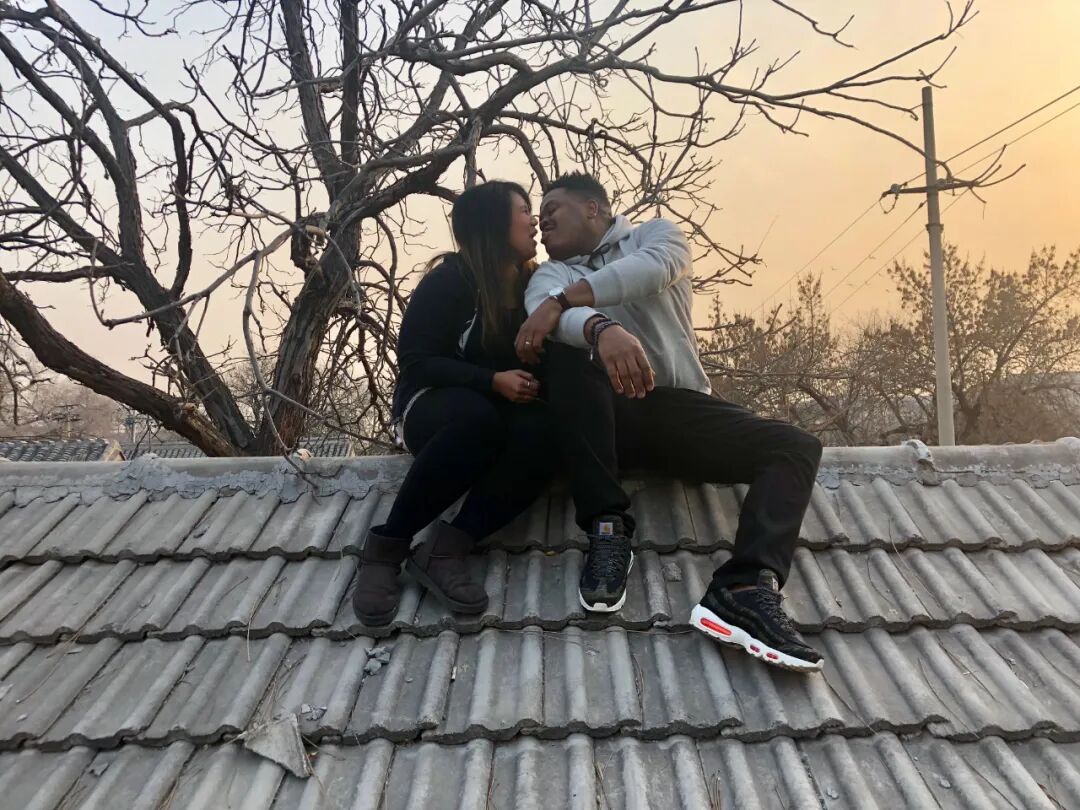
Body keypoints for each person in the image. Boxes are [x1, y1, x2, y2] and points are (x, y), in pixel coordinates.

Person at [517, 172, 824, 672]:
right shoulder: (548, 276)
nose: (542, 219)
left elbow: (654, 270)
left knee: (796, 446)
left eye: (553, 208)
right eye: (538, 213)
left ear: (594, 208)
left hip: (676, 408)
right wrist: (600, 328)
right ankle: (608, 528)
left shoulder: (655, 235)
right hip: (599, 420)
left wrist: (566, 301)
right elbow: (543, 316)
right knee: (567, 357)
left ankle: (745, 589)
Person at [352, 180, 556, 627]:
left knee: (544, 433)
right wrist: (491, 380)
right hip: (431, 408)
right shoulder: (450, 281)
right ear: (493, 223)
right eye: (524, 210)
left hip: (497, 412)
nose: (534, 220)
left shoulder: (534, 286)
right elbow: (417, 362)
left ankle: (447, 549)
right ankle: (386, 547)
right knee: (477, 419)